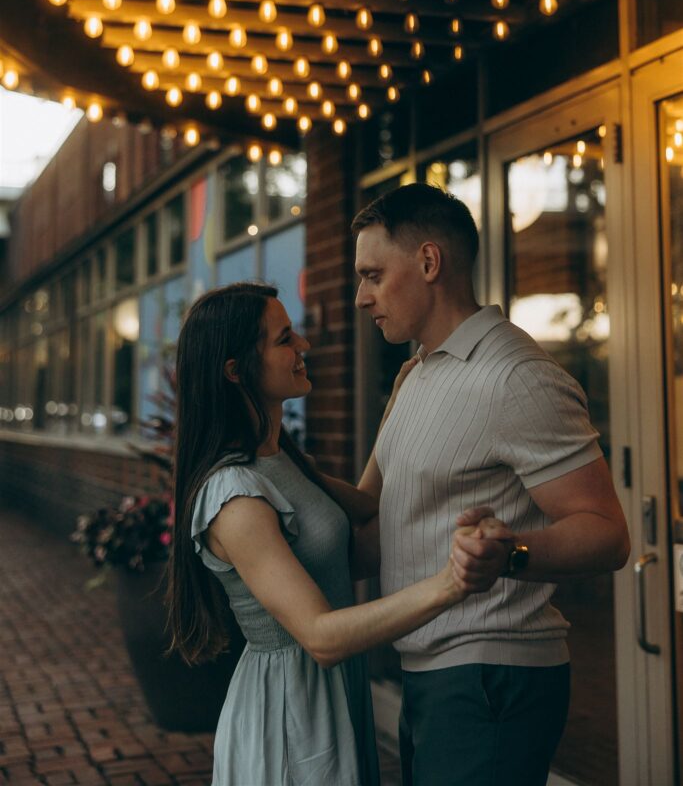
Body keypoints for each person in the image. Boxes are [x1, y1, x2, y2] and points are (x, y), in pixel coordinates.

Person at [166, 282, 509, 786]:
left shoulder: (277, 459)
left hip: (328, 696)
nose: (303, 346)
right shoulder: (235, 496)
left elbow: (369, 506)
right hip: (290, 713)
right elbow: (322, 637)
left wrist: (397, 409)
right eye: (285, 339)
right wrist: (453, 583)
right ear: (235, 370)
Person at [352, 182, 631, 786]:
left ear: (429, 262)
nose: (360, 297)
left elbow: (609, 535)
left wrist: (511, 552)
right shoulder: (414, 375)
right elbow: (370, 517)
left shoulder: (516, 377)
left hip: (490, 676)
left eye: (373, 274)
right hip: (426, 669)